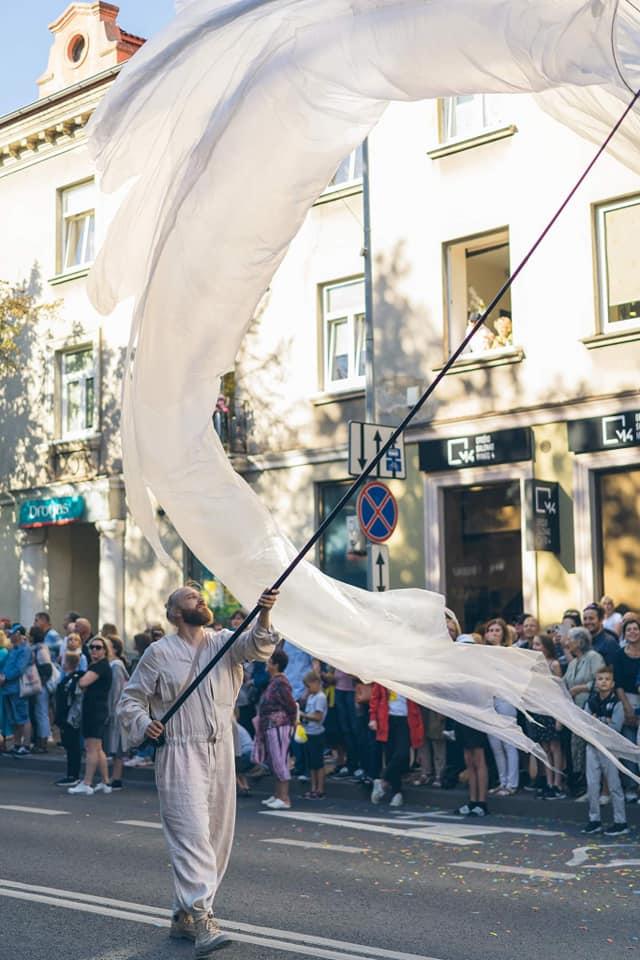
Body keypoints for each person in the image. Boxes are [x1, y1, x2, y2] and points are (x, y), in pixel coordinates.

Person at [117, 585, 278, 955]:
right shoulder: (158, 653)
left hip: (221, 749)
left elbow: (258, 646)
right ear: (174, 613)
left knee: (217, 837)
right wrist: (145, 724)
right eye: (190, 598)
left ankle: (183, 914)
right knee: (191, 833)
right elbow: (131, 700)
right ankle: (204, 919)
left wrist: (265, 611)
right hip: (179, 750)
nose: (200, 600)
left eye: (199, 597)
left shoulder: (223, 641)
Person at [582, 666, 629, 835]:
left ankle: (620, 821)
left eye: (607, 679)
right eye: (600, 679)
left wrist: (597, 722)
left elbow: (615, 727)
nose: (603, 682)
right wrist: (602, 723)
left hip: (609, 749)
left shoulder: (616, 703)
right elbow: (585, 723)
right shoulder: (590, 702)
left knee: (614, 784)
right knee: (592, 784)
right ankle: (594, 819)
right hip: (593, 746)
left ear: (612, 683)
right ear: (596, 682)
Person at [68, 635, 113, 795]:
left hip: (94, 710)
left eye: (98, 647)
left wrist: (78, 677)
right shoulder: (101, 665)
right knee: (98, 748)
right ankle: (105, 782)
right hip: (97, 709)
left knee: (91, 748)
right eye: (92, 647)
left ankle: (87, 783)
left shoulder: (100, 666)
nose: (94, 650)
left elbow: (83, 682)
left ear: (105, 651)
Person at [564, 626, 605, 797]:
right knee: (578, 749)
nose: (567, 643)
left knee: (591, 750)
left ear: (580, 641)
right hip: (575, 712)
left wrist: (582, 688)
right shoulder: (573, 663)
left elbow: (601, 680)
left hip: (591, 710)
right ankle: (584, 785)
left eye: (570, 640)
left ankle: (596, 788)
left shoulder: (594, 657)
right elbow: (564, 683)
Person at [256, 648, 297, 810]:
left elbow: (290, 704)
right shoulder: (275, 681)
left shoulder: (280, 682)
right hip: (271, 725)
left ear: (275, 664)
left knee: (280, 760)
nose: (267, 663)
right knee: (274, 760)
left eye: (269, 661)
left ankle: (284, 797)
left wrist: (293, 721)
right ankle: (278, 794)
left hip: (279, 725)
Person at [369, 683, 423, 808]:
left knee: (402, 754)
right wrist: (373, 718)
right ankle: (397, 793)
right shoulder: (383, 676)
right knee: (390, 756)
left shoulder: (410, 678)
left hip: (406, 720)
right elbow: (375, 697)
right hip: (388, 719)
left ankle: (382, 782)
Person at [484, 618, 519, 796]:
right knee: (495, 744)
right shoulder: (482, 654)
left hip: (505, 699)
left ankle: (512, 784)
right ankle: (502, 780)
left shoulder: (508, 653)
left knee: (509, 743)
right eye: (491, 630)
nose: (494, 633)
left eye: (497, 630)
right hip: (489, 701)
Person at [528, 634, 566, 799]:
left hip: (552, 708)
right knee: (544, 747)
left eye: (538, 645)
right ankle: (549, 782)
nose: (535, 648)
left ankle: (558, 782)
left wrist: (559, 715)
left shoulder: (554, 664)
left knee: (555, 747)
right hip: (539, 708)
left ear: (546, 647)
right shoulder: (534, 665)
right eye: (534, 645)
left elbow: (560, 690)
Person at [613, 616, 640, 802]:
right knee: (628, 744)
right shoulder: (620, 655)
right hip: (627, 698)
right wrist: (627, 708)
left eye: (635, 629)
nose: (632, 632)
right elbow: (619, 684)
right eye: (629, 629)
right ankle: (631, 786)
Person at [54, 650, 85, 787]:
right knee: (69, 746)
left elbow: (73, 700)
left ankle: (73, 775)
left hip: (70, 718)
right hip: (65, 717)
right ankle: (71, 774)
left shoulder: (74, 679)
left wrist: (70, 718)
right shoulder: (68, 678)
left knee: (73, 747)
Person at [0, 625, 33, 755]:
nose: (10, 636)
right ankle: (17, 743)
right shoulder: (13, 649)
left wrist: (5, 677)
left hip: (18, 688)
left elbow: (20, 669)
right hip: (7, 688)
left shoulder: (25, 649)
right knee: (13, 718)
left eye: (12, 634)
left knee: (23, 716)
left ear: (18, 634)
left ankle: (26, 745)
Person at [104, 642, 130, 790]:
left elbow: (116, 691)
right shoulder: (113, 665)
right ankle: (114, 776)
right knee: (115, 744)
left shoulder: (116, 666)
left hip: (117, 711)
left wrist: (112, 710)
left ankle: (116, 777)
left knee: (118, 745)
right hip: (116, 710)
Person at [300, 669, 328, 799]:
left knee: (318, 762)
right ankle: (313, 787)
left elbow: (318, 716)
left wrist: (304, 715)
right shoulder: (311, 696)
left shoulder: (320, 697)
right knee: (311, 763)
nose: (308, 689)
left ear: (316, 683)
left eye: (308, 686)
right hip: (309, 732)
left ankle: (320, 788)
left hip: (317, 733)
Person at [28, 625, 53, 753]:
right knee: (38, 713)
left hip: (40, 687)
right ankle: (39, 740)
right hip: (38, 686)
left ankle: (42, 742)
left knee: (41, 713)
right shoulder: (38, 649)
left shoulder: (41, 650)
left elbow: (47, 669)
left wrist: (40, 683)